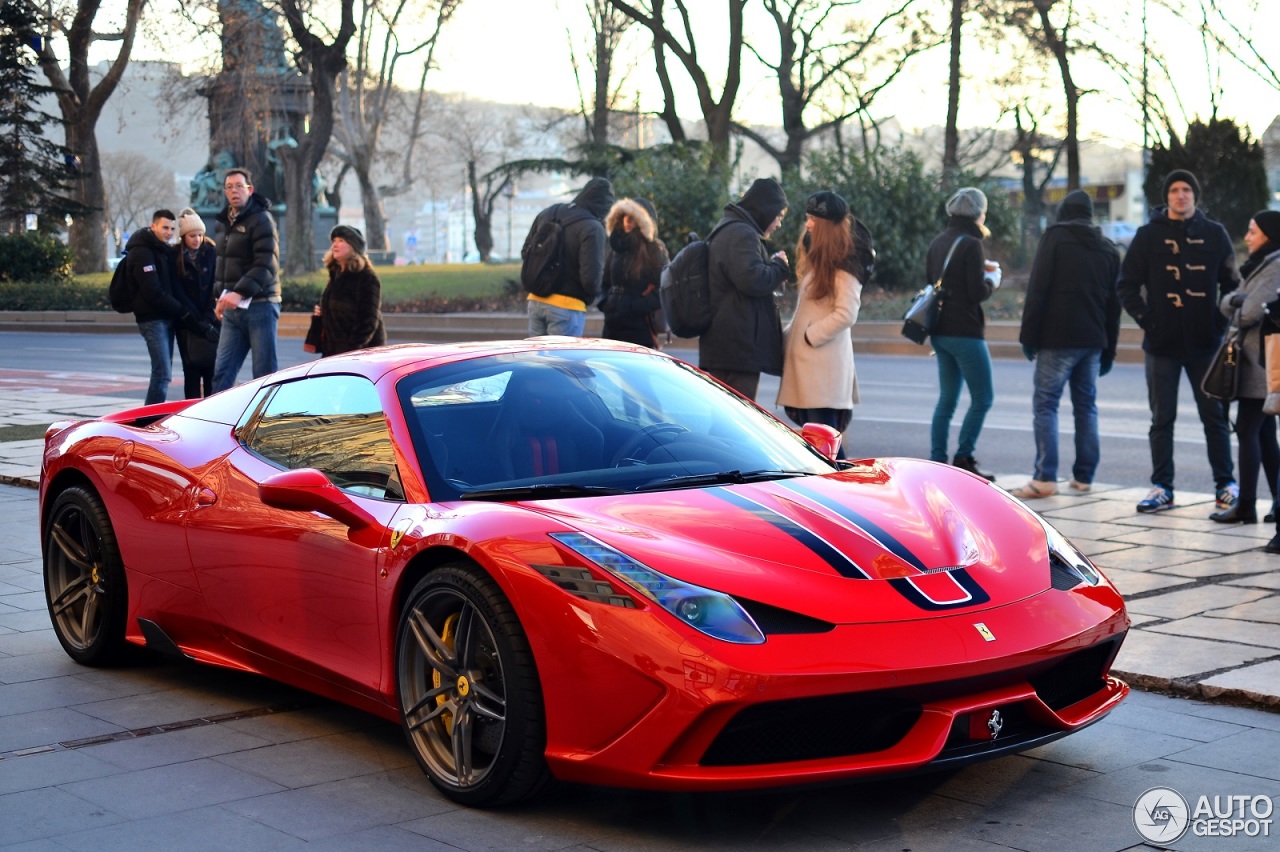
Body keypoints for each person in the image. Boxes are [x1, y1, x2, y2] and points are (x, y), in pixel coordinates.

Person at [1118, 169, 1241, 514]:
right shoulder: (1147, 236)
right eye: (1174, 189)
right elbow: (1125, 285)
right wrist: (1147, 319)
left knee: (1214, 417)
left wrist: (1219, 320)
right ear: (1167, 196)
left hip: (1206, 344)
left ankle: (1225, 486)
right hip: (1161, 344)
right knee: (1162, 419)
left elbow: (1233, 286)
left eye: (1187, 189)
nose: (1181, 195)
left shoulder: (1215, 235)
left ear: (1194, 196)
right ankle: (1162, 487)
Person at [1012, 190, 1121, 498]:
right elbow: (1114, 305)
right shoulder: (1108, 249)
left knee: (1046, 404)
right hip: (1093, 341)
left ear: (1063, 212)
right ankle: (1084, 476)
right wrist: (1109, 349)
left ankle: (1045, 477)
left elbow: (1038, 289)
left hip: (1057, 338)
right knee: (1086, 406)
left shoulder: (1055, 239)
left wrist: (1028, 337)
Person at [776, 191, 862, 458]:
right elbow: (808, 311)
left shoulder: (844, 263)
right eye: (808, 217)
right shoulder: (820, 261)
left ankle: (843, 492)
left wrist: (810, 336)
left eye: (813, 219)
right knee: (820, 444)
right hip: (812, 369)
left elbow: (847, 312)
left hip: (823, 371)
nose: (808, 224)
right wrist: (788, 337)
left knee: (826, 447)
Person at [1212, 212, 1280, 531]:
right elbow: (1228, 302)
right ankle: (1276, 504)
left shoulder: (1275, 265)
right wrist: (1238, 301)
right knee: (1264, 433)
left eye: (1253, 231)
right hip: (1256, 361)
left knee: (1248, 430)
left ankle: (1247, 505)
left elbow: (1248, 312)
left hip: (1262, 364)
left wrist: (1238, 302)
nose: (1248, 236)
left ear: (1268, 234)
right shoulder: (1258, 264)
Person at [927, 187, 999, 480]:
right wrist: (993, 280)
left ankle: (937, 460)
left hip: (939, 330)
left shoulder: (937, 242)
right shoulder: (971, 244)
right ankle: (964, 457)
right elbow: (975, 292)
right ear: (978, 213)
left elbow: (932, 282)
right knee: (983, 397)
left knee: (947, 399)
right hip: (965, 331)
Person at [700, 177, 790, 401]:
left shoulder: (731, 228)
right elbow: (753, 279)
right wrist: (779, 266)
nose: (778, 223)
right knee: (736, 422)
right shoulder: (742, 233)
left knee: (723, 415)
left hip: (728, 345)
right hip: (737, 347)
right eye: (778, 216)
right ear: (765, 210)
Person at [127, 209, 216, 406]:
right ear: (154, 226)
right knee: (165, 374)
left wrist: (206, 316)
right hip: (163, 319)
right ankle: (148, 420)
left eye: (171, 228)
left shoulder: (170, 250)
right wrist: (185, 313)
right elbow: (159, 290)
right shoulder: (151, 252)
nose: (168, 232)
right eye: (164, 227)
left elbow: (212, 287)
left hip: (180, 318)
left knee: (176, 372)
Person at [212, 167, 281, 392]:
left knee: (264, 375)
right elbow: (222, 266)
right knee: (222, 373)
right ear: (224, 192)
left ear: (250, 190)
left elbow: (266, 264)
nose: (234, 191)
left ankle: (268, 424)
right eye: (229, 187)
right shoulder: (223, 223)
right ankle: (216, 423)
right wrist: (219, 298)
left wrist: (238, 293)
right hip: (232, 309)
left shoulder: (262, 219)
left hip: (260, 305)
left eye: (239, 186)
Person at [523, 176, 614, 337]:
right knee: (561, 361)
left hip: (535, 301)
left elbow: (526, 252)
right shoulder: (592, 227)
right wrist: (591, 296)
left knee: (536, 361)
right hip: (567, 306)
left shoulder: (548, 213)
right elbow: (591, 278)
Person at [599, 197, 669, 349]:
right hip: (612, 323)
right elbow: (604, 282)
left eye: (633, 216)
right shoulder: (615, 247)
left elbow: (663, 288)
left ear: (643, 221)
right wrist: (606, 303)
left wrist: (634, 306)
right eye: (625, 215)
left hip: (640, 326)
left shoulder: (653, 248)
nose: (628, 220)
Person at [308, 224, 387, 357]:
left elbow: (367, 321)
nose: (335, 245)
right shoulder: (335, 274)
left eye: (341, 241)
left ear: (354, 247)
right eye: (334, 241)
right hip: (334, 352)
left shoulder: (367, 277)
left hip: (360, 355)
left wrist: (350, 353)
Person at [172, 208, 219, 398]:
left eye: (200, 235)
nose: (197, 239)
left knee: (211, 371)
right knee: (191, 372)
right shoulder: (175, 256)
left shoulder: (211, 251)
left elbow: (215, 286)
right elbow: (177, 291)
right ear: (184, 236)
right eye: (192, 235)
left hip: (211, 319)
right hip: (187, 323)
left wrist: (208, 317)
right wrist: (195, 320)